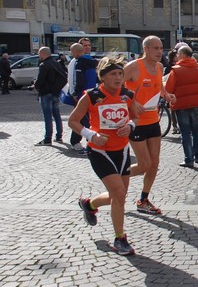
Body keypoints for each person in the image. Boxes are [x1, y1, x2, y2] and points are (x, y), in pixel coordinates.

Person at [70, 56, 139, 255]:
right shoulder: (91, 96)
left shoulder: (127, 95)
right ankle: (120, 238)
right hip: (100, 151)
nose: (118, 78)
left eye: (120, 74)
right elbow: (73, 121)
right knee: (118, 193)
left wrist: (130, 126)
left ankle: (89, 204)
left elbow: (135, 116)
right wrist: (91, 134)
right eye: (113, 74)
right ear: (103, 77)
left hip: (122, 151)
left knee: (119, 196)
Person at [124, 35, 176, 215]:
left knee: (154, 164)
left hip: (153, 121)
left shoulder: (160, 67)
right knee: (144, 164)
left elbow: (158, 87)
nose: (160, 52)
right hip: (136, 123)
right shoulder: (133, 67)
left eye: (161, 48)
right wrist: (131, 103)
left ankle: (143, 200)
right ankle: (118, 175)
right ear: (145, 49)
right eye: (155, 48)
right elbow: (114, 87)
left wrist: (166, 95)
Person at [164, 45, 198, 167]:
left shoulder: (176, 70)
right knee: (196, 132)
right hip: (196, 103)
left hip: (181, 104)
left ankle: (189, 159)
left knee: (185, 133)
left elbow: (169, 88)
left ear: (183, 55)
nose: (177, 56)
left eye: (178, 54)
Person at [68, 43, 98, 153]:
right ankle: (81, 141)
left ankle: (89, 144)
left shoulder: (79, 63)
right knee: (87, 119)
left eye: (72, 52)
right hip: (93, 93)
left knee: (81, 120)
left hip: (83, 95)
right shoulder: (93, 61)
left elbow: (79, 80)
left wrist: (75, 93)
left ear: (75, 52)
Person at [34, 47, 66, 146]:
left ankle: (48, 139)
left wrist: (35, 85)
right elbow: (64, 77)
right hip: (55, 93)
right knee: (57, 115)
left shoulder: (44, 65)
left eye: (39, 54)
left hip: (46, 93)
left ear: (43, 54)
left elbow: (40, 81)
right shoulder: (56, 63)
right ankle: (59, 136)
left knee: (47, 116)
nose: (39, 56)